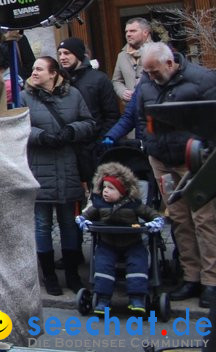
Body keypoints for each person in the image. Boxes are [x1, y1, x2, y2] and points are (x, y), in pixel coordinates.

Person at [135, 42, 216, 305]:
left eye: (155, 72)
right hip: (161, 159)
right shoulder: (146, 83)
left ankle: (211, 281)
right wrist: (147, 144)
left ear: (170, 63)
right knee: (179, 219)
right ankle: (190, 277)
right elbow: (139, 116)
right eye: (147, 73)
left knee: (205, 220)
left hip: (194, 160)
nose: (151, 77)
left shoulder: (203, 80)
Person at [21, 55, 95, 295]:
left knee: (68, 224)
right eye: (33, 69)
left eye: (39, 69)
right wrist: (40, 136)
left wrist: (71, 131)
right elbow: (18, 126)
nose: (34, 73)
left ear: (53, 73)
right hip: (38, 168)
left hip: (68, 167)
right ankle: (49, 276)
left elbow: (89, 123)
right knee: (42, 225)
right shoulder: (24, 97)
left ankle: (73, 274)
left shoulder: (73, 95)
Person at [76, 162, 165, 315]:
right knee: (103, 265)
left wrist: (155, 222)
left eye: (110, 188)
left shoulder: (133, 205)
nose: (105, 191)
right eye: (104, 187)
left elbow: (152, 214)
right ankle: (103, 298)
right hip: (107, 243)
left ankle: (137, 298)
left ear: (122, 191)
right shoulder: (99, 205)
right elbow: (85, 215)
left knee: (138, 264)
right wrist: (83, 221)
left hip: (132, 243)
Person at [57, 37, 120, 181]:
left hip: (93, 148)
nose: (62, 57)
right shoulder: (58, 80)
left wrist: (100, 142)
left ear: (78, 54)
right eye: (60, 53)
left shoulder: (99, 79)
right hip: (68, 148)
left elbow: (112, 114)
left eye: (67, 53)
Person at [112, 17, 152, 103]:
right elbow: (116, 81)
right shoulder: (122, 56)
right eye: (126, 31)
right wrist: (122, 92)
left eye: (133, 31)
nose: (128, 34)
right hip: (132, 109)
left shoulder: (158, 52)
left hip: (153, 106)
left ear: (145, 32)